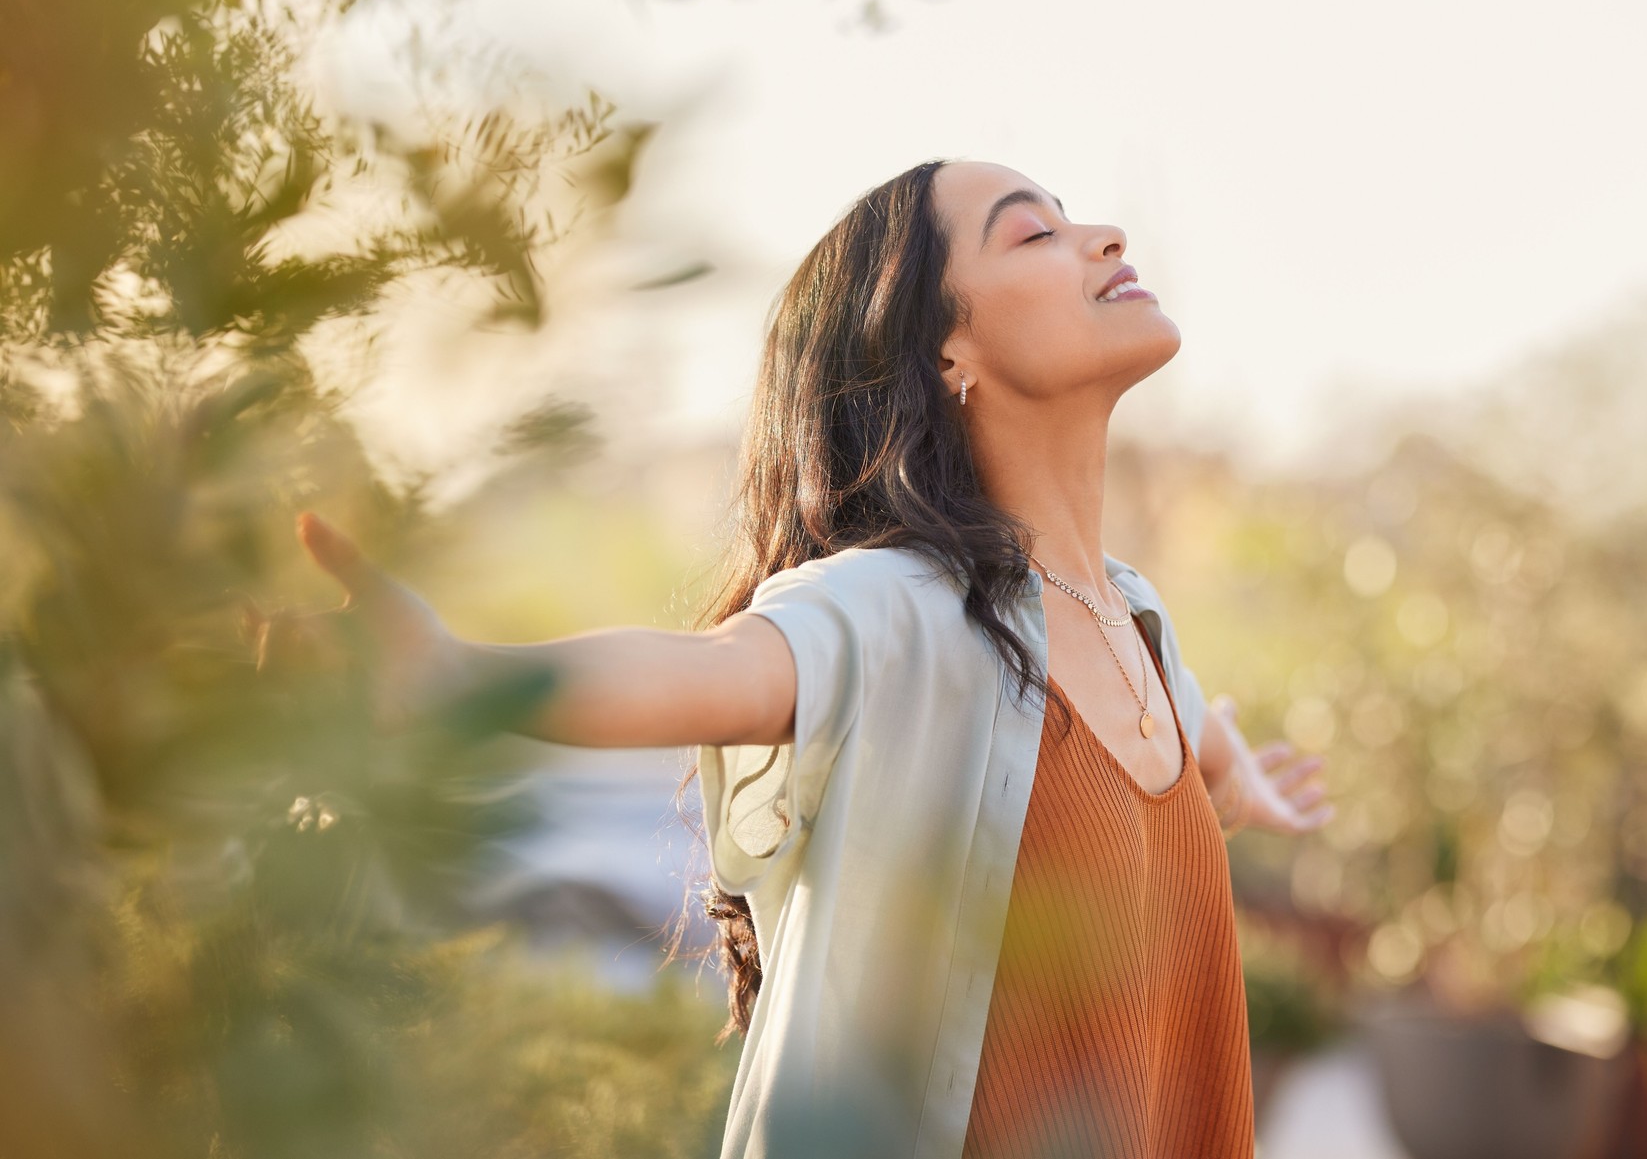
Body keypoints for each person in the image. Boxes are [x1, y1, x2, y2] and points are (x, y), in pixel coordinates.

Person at [290, 158, 1334, 1159]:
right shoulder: (899, 609)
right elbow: (713, 675)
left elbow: (1172, 736)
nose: (1103, 237)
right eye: (1034, 232)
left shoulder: (1137, 621)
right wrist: (459, 678)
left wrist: (1226, 770)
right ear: (945, 354)